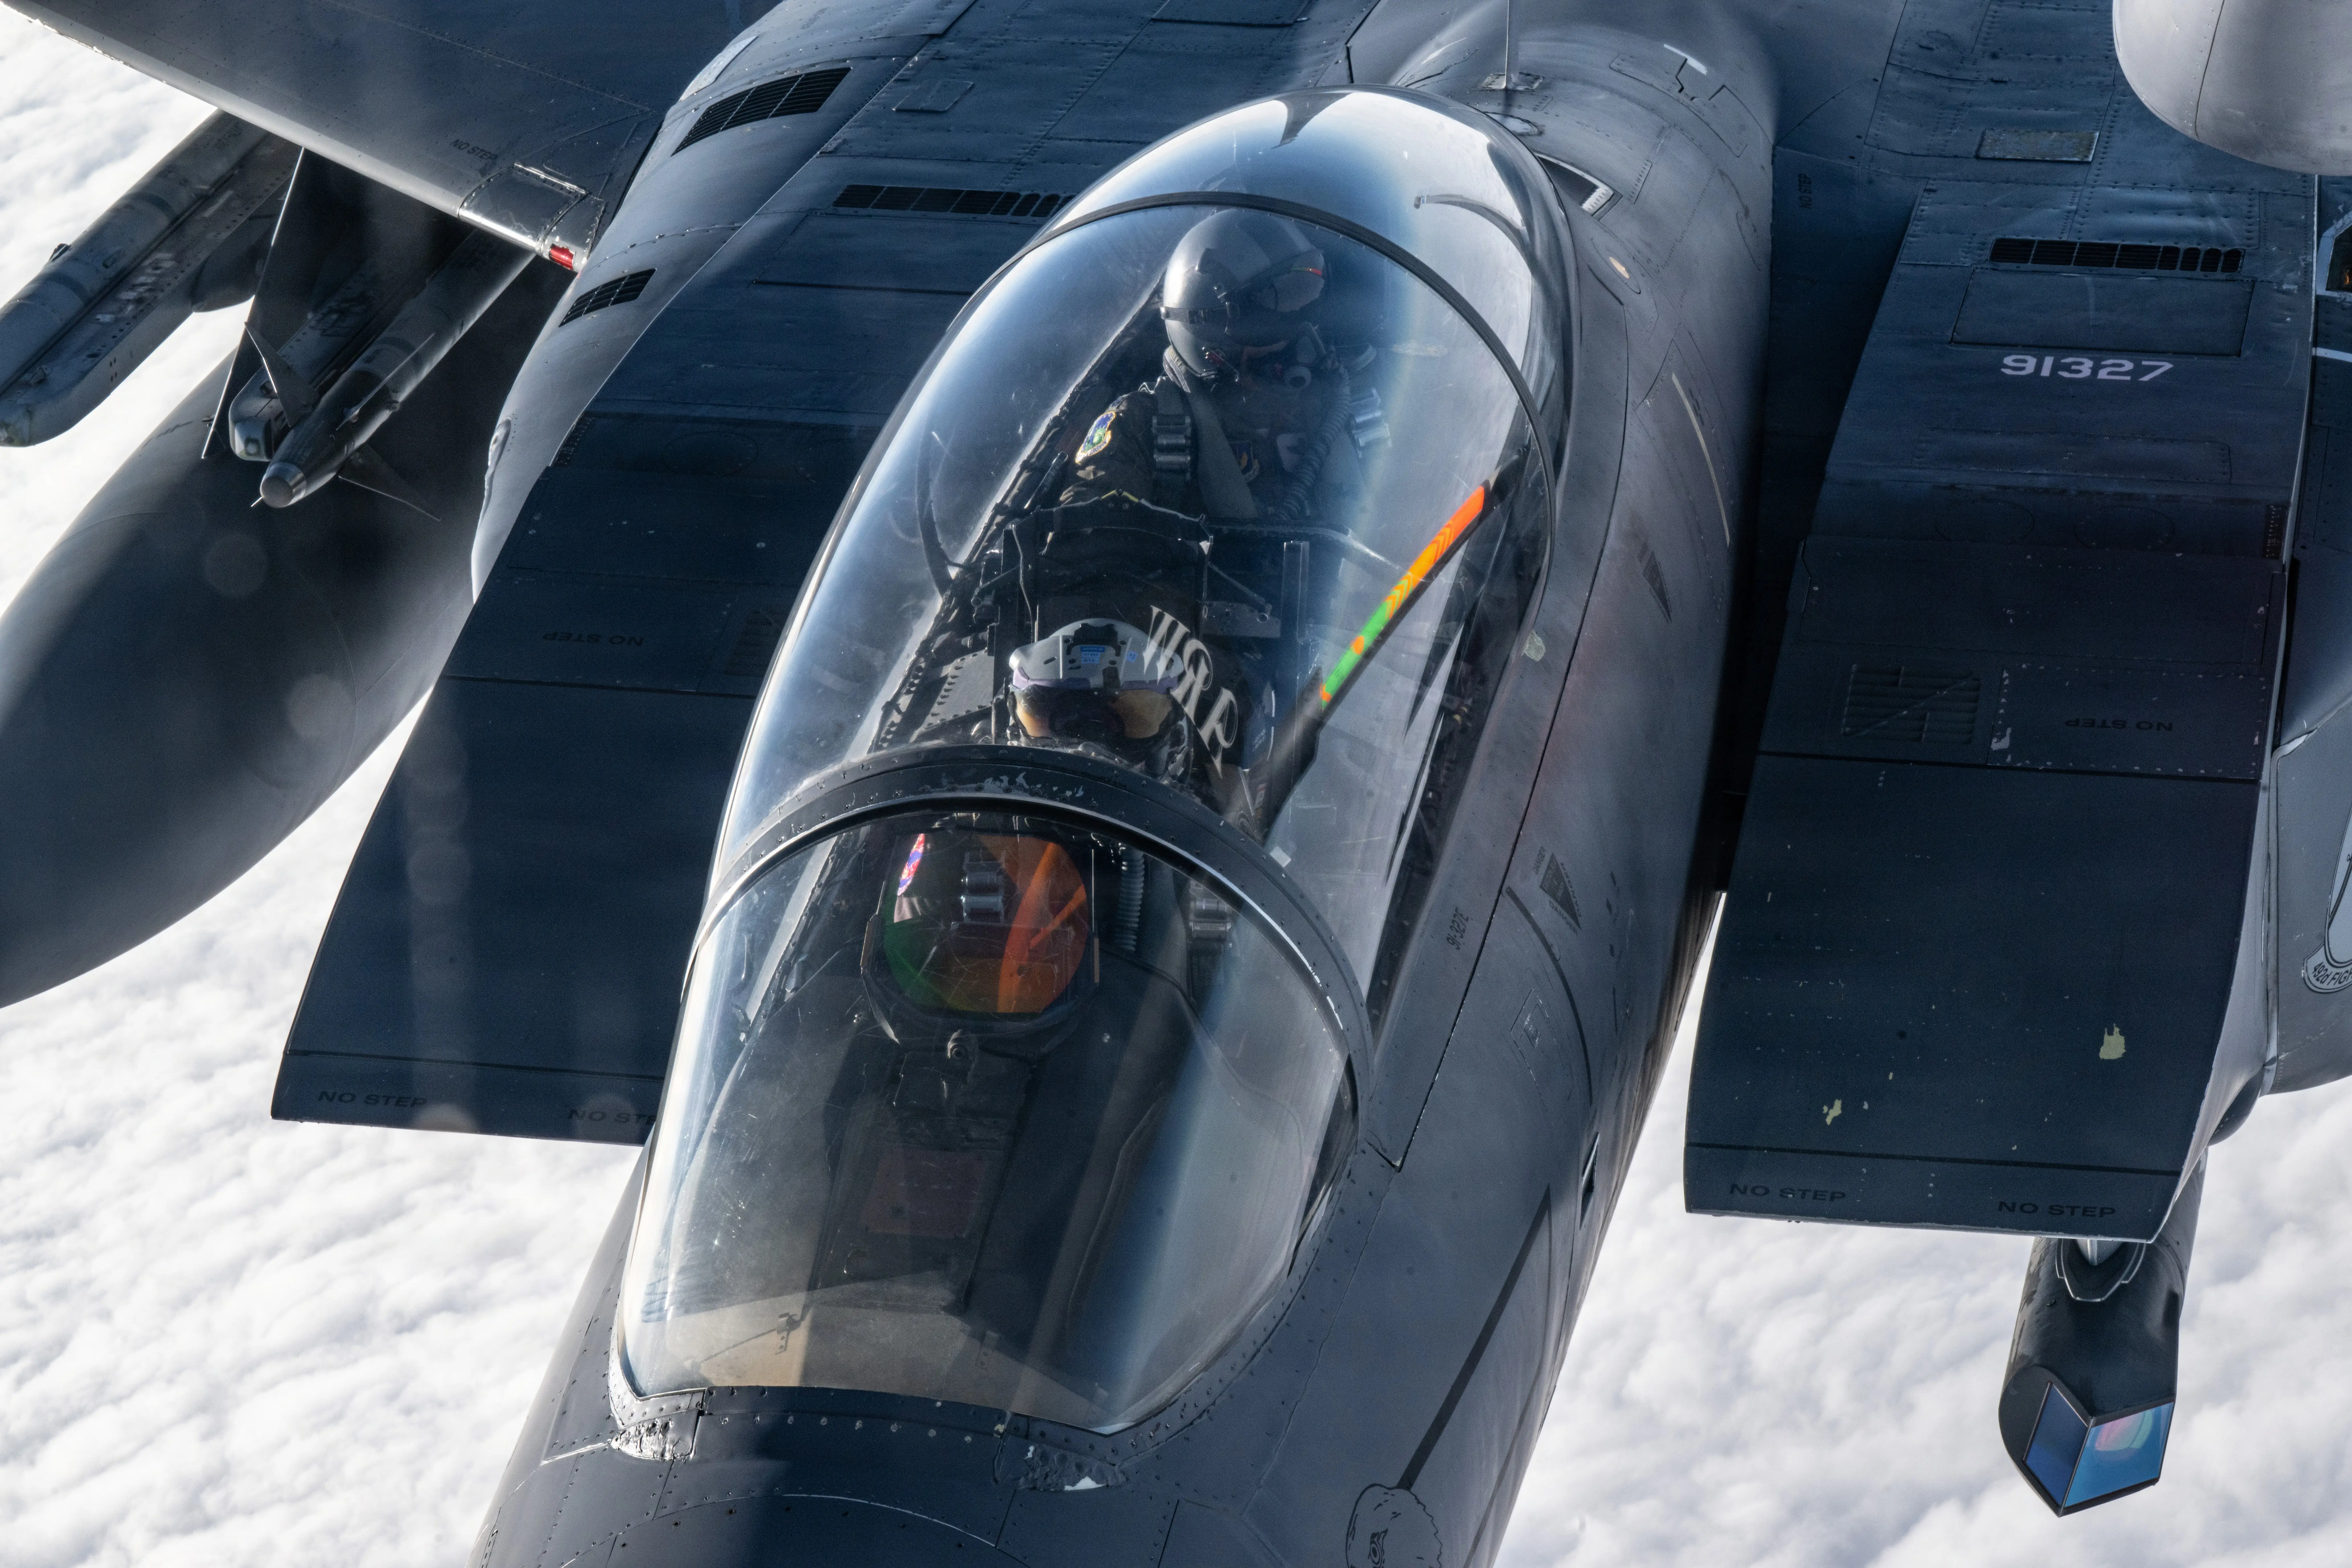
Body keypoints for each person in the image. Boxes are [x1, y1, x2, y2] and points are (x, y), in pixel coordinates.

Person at [1059, 209, 1367, 522]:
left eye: (1304, 305)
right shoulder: (1138, 428)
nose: (1297, 337)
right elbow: (1081, 547)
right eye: (1271, 320)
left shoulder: (1330, 411)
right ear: (1212, 343)